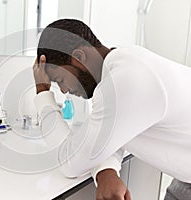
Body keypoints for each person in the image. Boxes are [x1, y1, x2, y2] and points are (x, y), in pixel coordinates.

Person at [33, 18, 191, 200]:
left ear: (78, 57)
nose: (64, 90)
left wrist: (42, 92)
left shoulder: (123, 83)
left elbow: (69, 161)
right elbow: (109, 132)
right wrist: (106, 170)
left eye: (60, 80)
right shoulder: (127, 62)